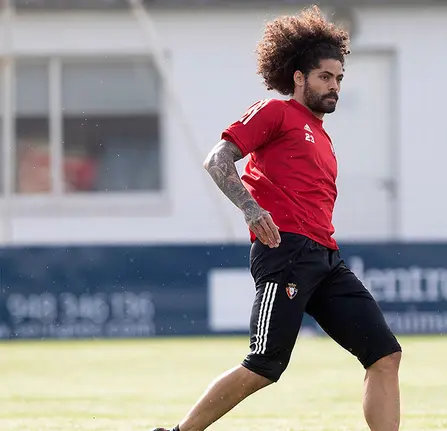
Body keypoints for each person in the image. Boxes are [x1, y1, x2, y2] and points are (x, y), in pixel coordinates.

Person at [151, 5, 402, 431]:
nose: (334, 85)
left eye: (339, 78)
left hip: (326, 258)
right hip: (284, 252)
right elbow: (217, 159)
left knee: (385, 356)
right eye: (325, 76)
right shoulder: (275, 112)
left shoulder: (322, 135)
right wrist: (250, 207)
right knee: (264, 365)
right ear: (299, 77)